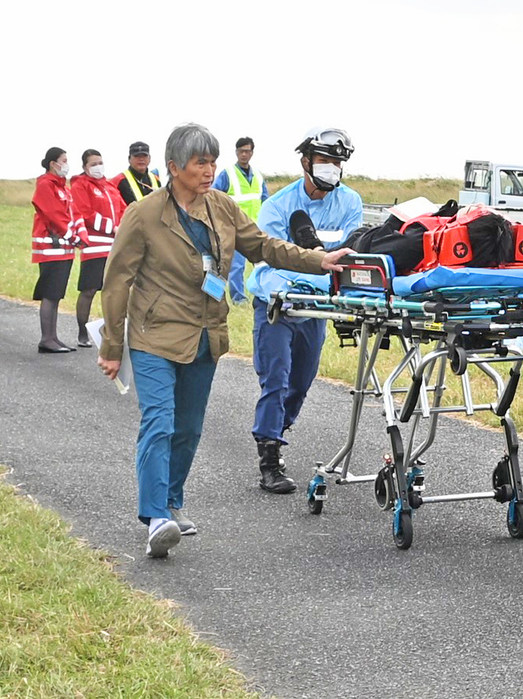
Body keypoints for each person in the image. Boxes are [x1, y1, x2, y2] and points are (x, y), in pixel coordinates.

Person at [96, 123, 352, 559]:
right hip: (154, 334)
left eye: (213, 161)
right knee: (159, 421)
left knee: (189, 428)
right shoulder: (143, 215)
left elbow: (265, 247)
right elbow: (117, 280)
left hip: (204, 334)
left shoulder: (223, 207)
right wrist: (111, 346)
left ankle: (172, 500)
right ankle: (156, 515)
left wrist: (318, 260)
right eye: (200, 163)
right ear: (174, 167)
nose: (209, 170)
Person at [245, 127, 363, 494]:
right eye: (326, 161)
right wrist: (292, 285)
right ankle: (269, 458)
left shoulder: (350, 203)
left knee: (300, 383)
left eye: (337, 162)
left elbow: (351, 254)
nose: (332, 168)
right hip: (277, 305)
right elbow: (271, 260)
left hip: (318, 307)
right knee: (276, 379)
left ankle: (278, 431)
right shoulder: (277, 206)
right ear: (306, 162)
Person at [31, 147, 84, 353]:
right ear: (53, 163)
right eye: (64, 160)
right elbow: (54, 214)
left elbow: (72, 212)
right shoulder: (46, 184)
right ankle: (46, 339)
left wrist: (78, 236)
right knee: (50, 293)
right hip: (51, 247)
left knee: (56, 294)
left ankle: (53, 337)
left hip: (63, 248)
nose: (66, 164)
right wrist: (72, 236)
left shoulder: (62, 187)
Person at [69, 149, 125, 347]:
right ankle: (82, 333)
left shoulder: (109, 186)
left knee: (113, 290)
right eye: (93, 164)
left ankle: (111, 332)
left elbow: (122, 209)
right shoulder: (80, 185)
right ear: (85, 167)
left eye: (100, 162)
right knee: (89, 290)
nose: (98, 167)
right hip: (93, 246)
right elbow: (84, 212)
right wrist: (112, 227)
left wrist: (125, 226)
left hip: (114, 247)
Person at [211, 136, 269, 303]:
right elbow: (214, 196)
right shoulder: (227, 174)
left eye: (247, 151)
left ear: (252, 153)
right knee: (236, 266)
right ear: (236, 152)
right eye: (241, 151)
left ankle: (263, 294)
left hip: (256, 227)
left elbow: (266, 200)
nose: (244, 154)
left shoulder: (258, 175)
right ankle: (239, 298)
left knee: (262, 264)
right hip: (234, 228)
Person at [115, 141, 161, 207]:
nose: (141, 159)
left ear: (149, 159)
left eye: (144, 156)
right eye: (137, 156)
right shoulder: (119, 181)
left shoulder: (156, 180)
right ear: (129, 159)